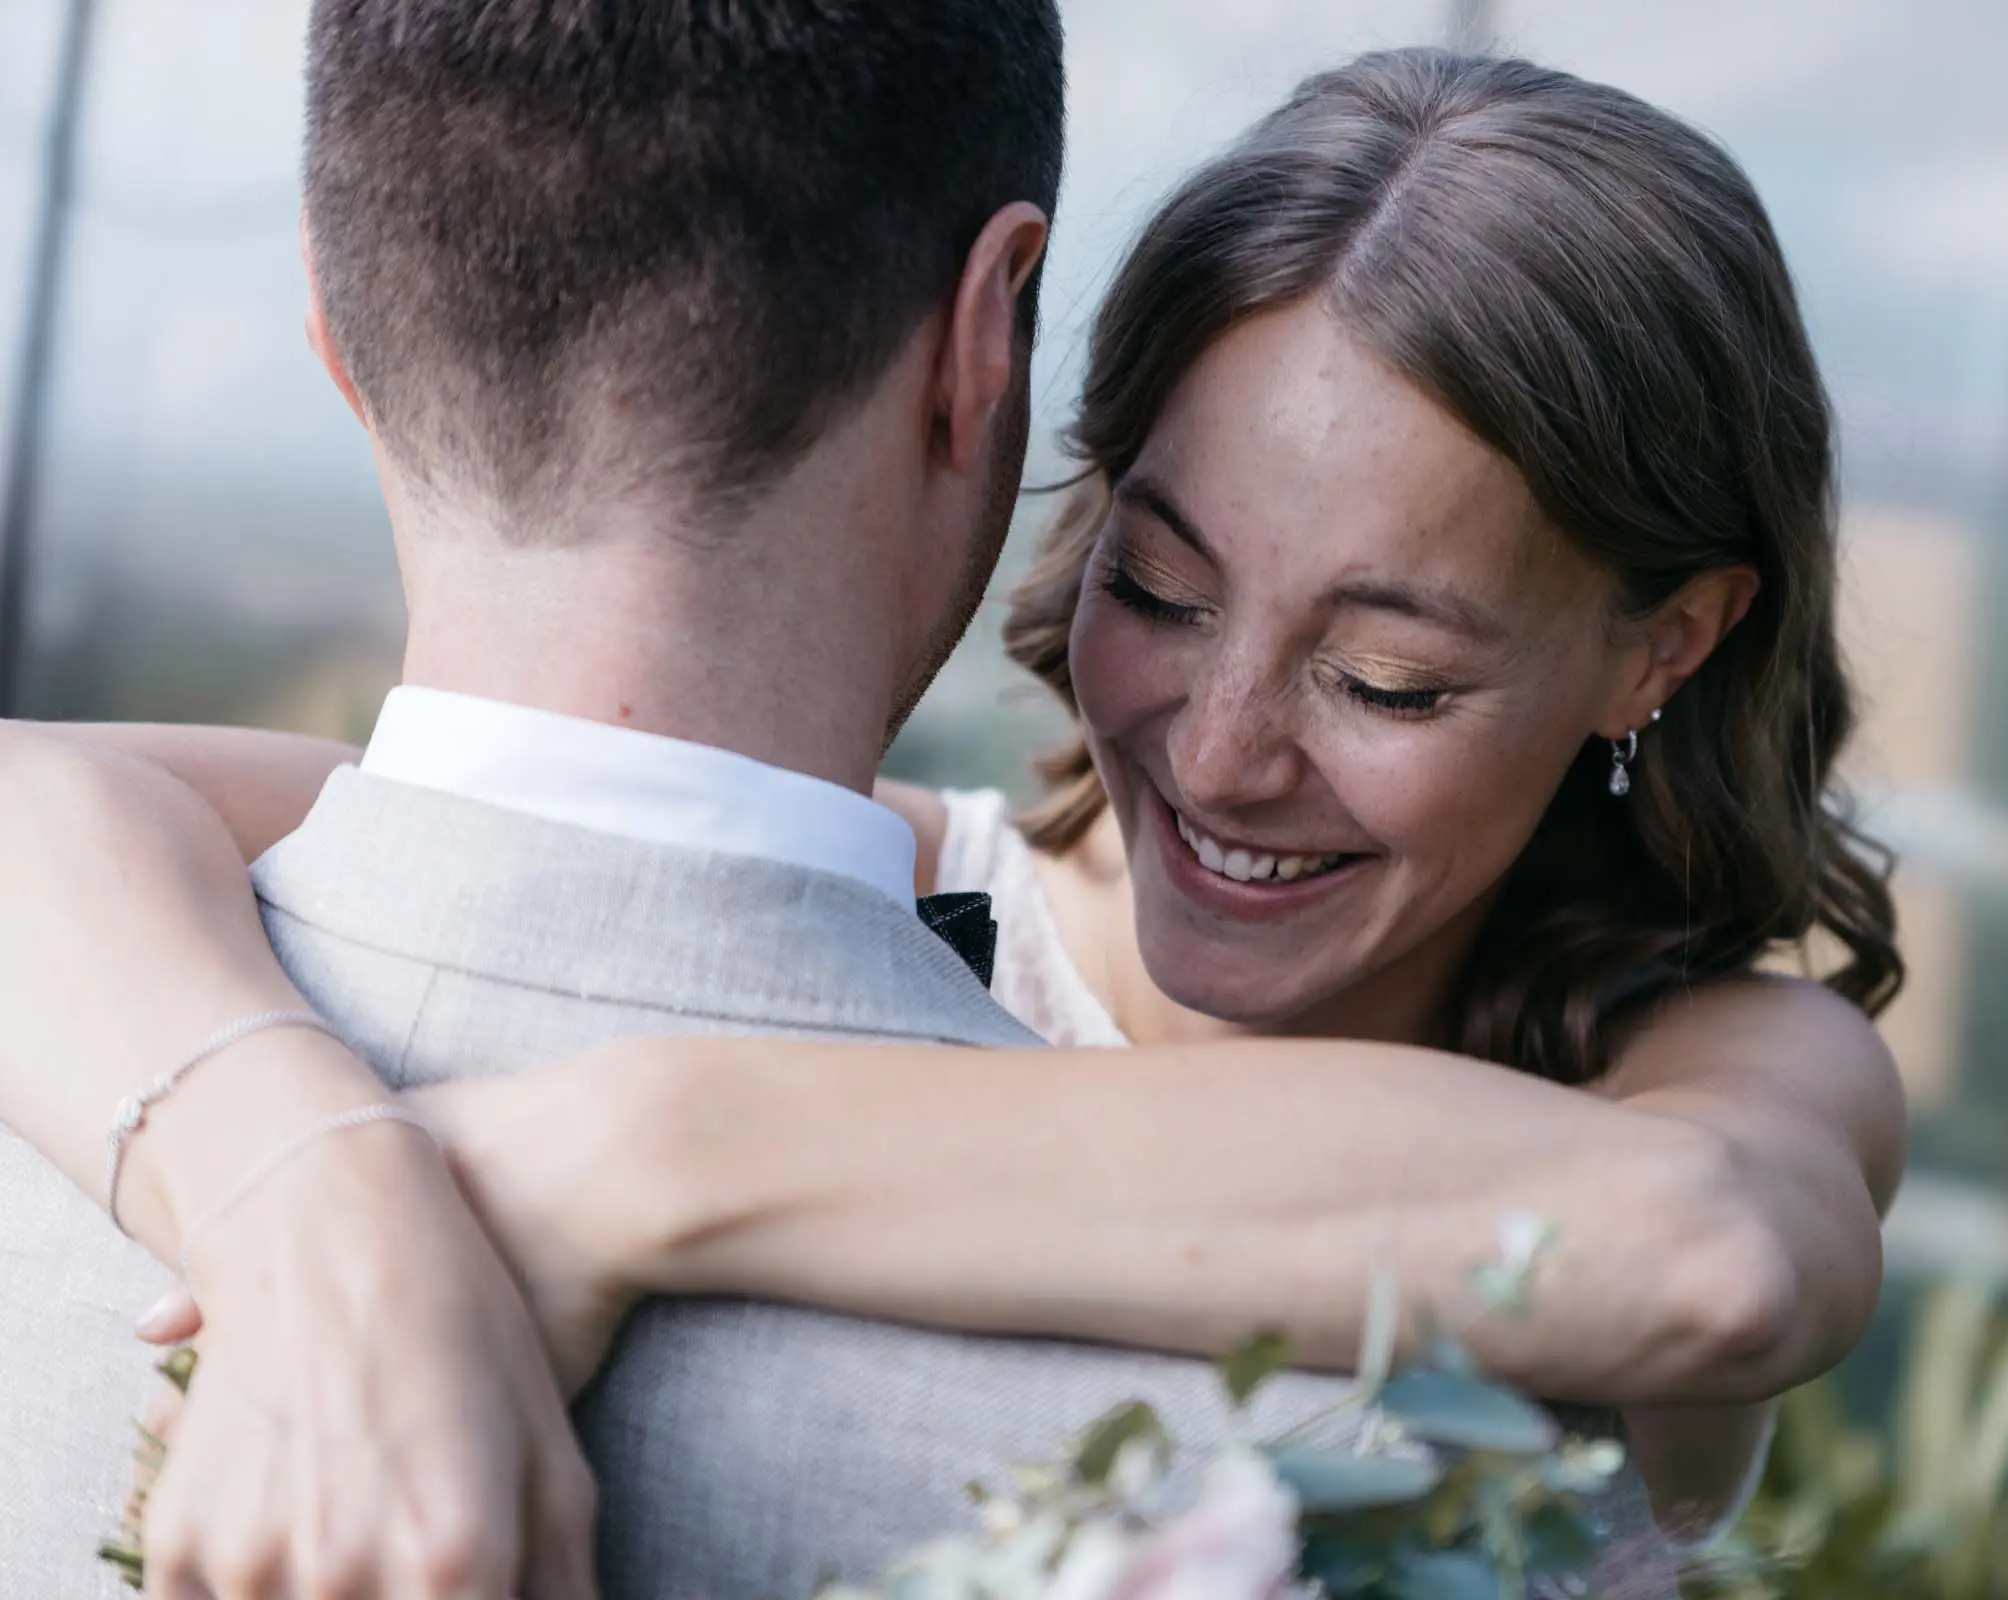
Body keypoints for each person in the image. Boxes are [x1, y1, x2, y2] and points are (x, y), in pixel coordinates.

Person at [0, 39, 1905, 1600]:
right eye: (1158, 588)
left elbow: (1718, 1250)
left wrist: (623, 1153)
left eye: (1386, 680)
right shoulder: (927, 871)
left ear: (1663, 646)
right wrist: (316, 1182)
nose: (1223, 751)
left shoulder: (1704, 1070)